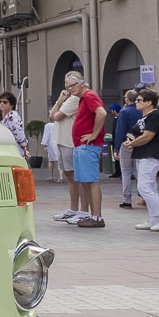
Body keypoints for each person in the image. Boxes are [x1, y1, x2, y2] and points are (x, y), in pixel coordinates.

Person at [54, 71, 107, 228]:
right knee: (84, 181)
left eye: (73, 85)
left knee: (90, 181)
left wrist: (94, 134)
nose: (70, 88)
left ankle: (97, 216)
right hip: (80, 145)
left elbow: (102, 113)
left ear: (82, 84)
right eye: (68, 86)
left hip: (88, 146)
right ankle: (91, 215)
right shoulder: (82, 98)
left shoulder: (89, 96)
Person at [122, 87, 159, 231]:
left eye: (139, 100)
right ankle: (153, 219)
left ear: (149, 102)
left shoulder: (156, 116)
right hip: (142, 154)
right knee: (150, 187)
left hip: (152, 154)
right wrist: (129, 140)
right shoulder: (143, 117)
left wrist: (132, 143)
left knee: (143, 187)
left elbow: (147, 136)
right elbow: (134, 133)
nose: (136, 102)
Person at [111, 88, 142, 209]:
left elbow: (120, 131)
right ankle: (144, 196)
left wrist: (116, 148)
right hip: (139, 143)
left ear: (127, 99)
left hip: (127, 144)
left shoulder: (124, 112)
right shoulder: (141, 110)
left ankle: (127, 200)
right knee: (138, 171)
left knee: (126, 172)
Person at [0, 91, 29, 161]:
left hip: (14, 150)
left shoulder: (11, 116)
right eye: (0, 102)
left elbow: (19, 133)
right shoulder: (6, 117)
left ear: (12, 105)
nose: (2, 104)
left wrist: (24, 148)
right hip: (9, 150)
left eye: (5, 102)